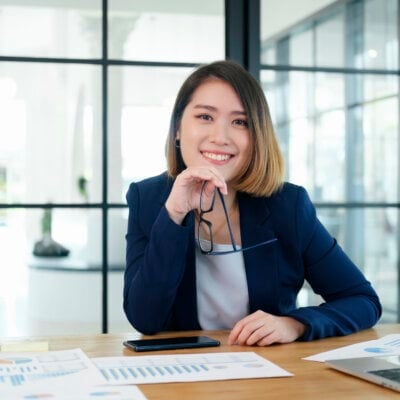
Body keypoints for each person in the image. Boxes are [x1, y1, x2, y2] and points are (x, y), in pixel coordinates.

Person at [123, 60, 381, 346]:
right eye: (205, 117)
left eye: (240, 122)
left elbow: (362, 300)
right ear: (177, 130)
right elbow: (144, 318)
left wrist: (295, 324)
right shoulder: (148, 199)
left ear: (256, 137)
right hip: (183, 373)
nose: (220, 137)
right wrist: (174, 214)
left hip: (267, 370)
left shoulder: (288, 205)